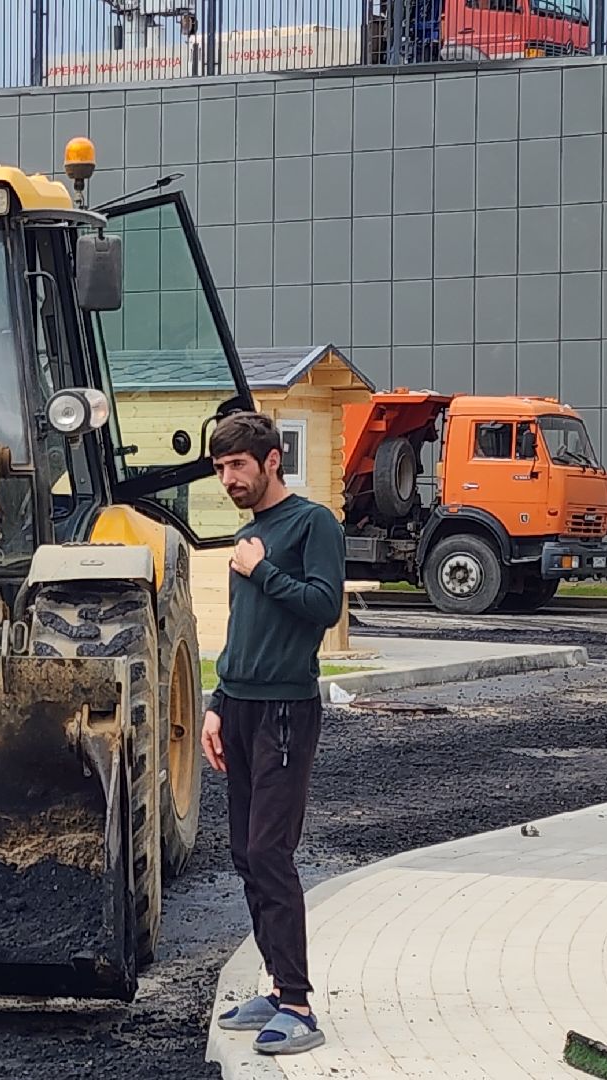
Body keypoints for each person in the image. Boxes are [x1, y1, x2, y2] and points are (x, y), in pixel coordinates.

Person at [201, 410, 344, 1057]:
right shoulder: (248, 535)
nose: (227, 478)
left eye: (236, 465)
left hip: (286, 709)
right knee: (241, 853)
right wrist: (215, 703)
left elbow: (323, 605)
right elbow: (241, 632)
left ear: (269, 461)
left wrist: (262, 571)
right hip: (238, 708)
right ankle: (271, 985)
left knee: (269, 853)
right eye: (219, 468)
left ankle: (297, 1005)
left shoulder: (311, 524)